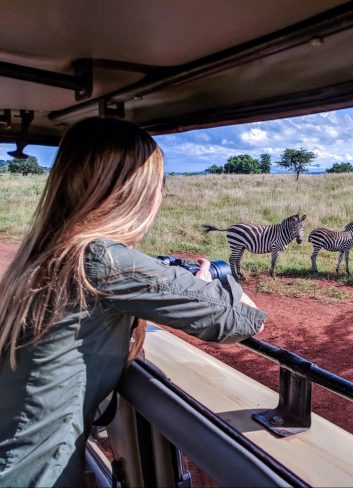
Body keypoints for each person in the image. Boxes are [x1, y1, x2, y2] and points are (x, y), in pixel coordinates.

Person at [0, 117, 267, 487]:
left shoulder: (46, 253)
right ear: (131, 192)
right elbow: (242, 319)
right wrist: (208, 281)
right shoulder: (100, 259)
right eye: (159, 185)